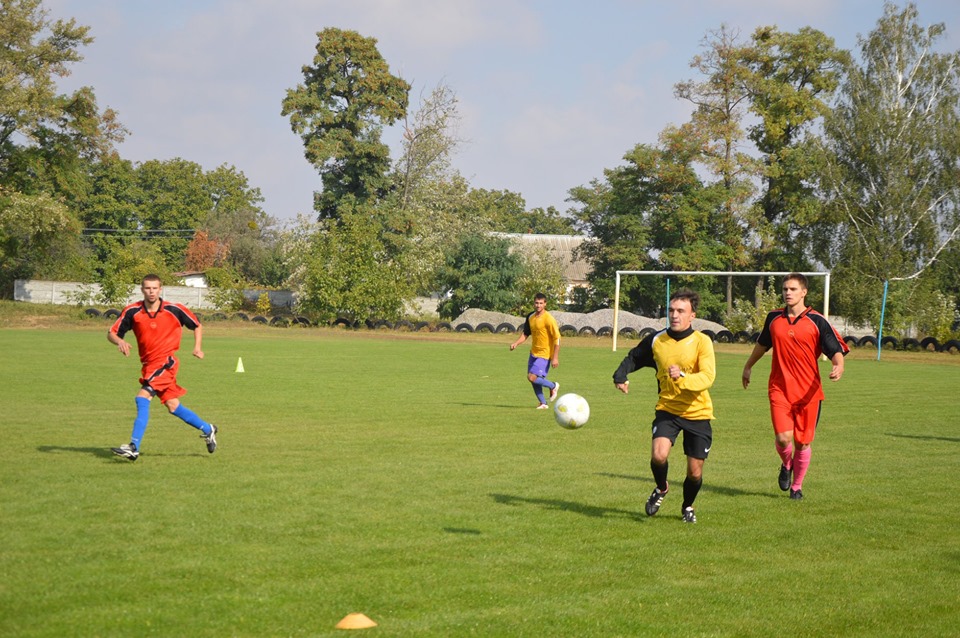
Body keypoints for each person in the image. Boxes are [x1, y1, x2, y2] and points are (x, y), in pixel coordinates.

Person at [741, 272, 848, 500]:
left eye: (792, 289)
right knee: (783, 438)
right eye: (785, 289)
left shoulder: (817, 321)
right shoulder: (774, 318)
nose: (788, 293)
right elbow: (762, 344)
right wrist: (748, 366)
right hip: (779, 389)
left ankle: (797, 486)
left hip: (809, 393)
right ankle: (786, 464)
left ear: (804, 292)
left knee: (803, 443)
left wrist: (839, 365)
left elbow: (835, 349)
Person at [612, 289, 716, 524]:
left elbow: (707, 377)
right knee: (659, 456)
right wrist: (620, 375)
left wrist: (683, 377)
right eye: (671, 310)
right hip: (667, 409)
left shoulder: (702, 342)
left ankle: (687, 506)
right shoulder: (657, 340)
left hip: (698, 413)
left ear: (692, 315)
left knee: (694, 472)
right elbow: (634, 357)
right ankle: (661, 488)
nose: (674, 315)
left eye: (681, 311)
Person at [107, 274, 218, 461]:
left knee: (142, 397)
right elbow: (111, 333)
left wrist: (197, 347)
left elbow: (197, 325)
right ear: (142, 290)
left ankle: (134, 446)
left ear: (160, 289)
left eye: (154, 288)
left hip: (166, 363)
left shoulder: (174, 309)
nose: (151, 291)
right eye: (147, 288)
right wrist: (120, 341)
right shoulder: (133, 311)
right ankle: (208, 429)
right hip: (149, 365)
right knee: (173, 406)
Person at [509, 292, 561, 409]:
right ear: (534, 303)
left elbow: (557, 339)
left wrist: (555, 357)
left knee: (532, 377)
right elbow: (526, 333)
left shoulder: (549, 319)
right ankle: (543, 403)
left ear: (545, 304)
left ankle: (553, 386)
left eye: (541, 303)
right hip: (533, 353)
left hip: (545, 354)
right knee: (533, 379)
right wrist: (516, 343)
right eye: (536, 303)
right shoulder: (530, 317)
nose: (538, 305)